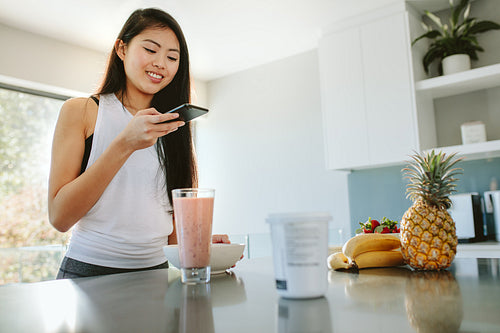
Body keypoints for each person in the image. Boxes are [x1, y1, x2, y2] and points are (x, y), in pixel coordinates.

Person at [49, 8, 229, 279]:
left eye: (172, 57)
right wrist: (125, 143)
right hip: (87, 273)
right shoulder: (82, 111)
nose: (161, 63)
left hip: (155, 275)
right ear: (121, 49)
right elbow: (60, 217)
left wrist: (204, 247)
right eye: (151, 49)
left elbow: (173, 237)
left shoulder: (174, 125)